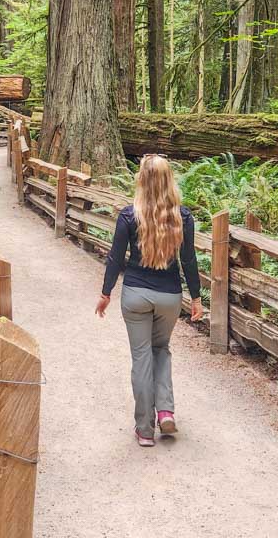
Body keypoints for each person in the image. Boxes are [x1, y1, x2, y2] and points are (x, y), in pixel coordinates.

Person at [96, 154, 203, 447]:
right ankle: (166, 410)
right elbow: (189, 261)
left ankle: (145, 429)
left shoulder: (129, 216)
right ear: (170, 180)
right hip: (169, 296)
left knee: (142, 357)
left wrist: (106, 294)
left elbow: (116, 258)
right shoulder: (184, 217)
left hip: (135, 295)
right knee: (161, 350)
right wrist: (196, 298)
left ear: (141, 180)